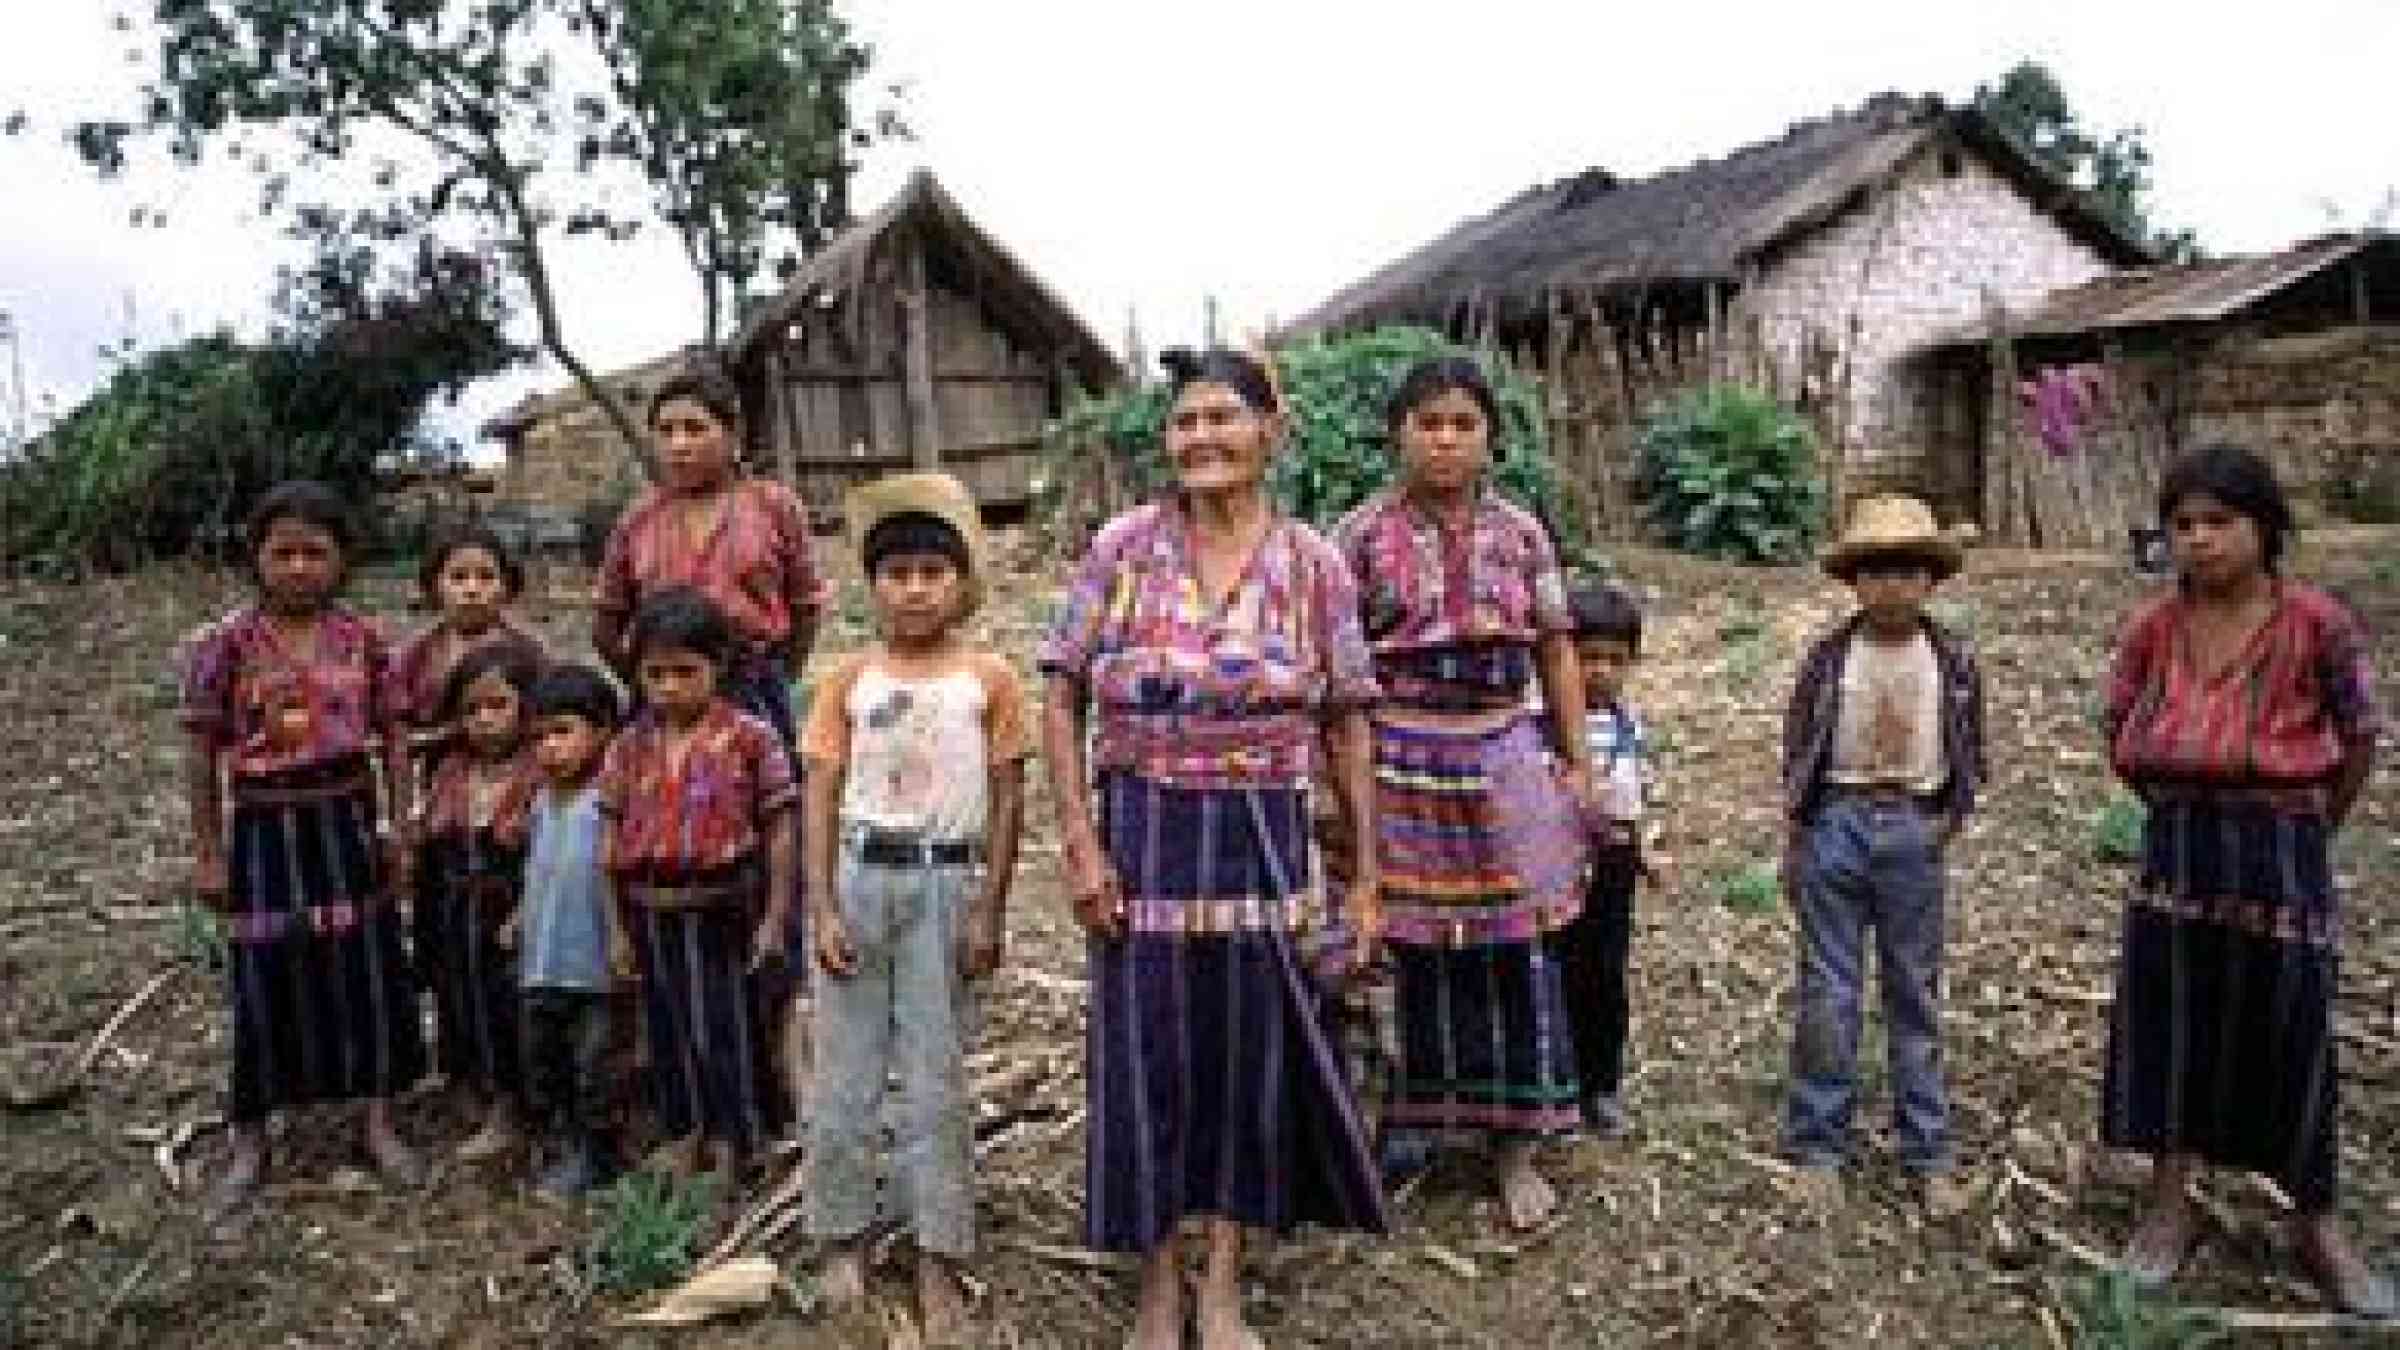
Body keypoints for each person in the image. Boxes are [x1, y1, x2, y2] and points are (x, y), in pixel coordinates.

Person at [1041, 348, 1387, 1350]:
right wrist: (1080, 845)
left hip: (1263, 838)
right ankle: (1156, 1277)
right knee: (1145, 1052)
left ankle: (1224, 1277)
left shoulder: (1313, 563)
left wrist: (1366, 877)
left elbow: (1352, 720)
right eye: (1184, 421)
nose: (1199, 438)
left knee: (1248, 1052)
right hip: (1142, 831)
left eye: (1222, 418)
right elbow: (1060, 692)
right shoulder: (1123, 546)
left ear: (1270, 431)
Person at [2099, 446, 2392, 1316]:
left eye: (2219, 522)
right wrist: (2176, 792)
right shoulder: (2154, 627)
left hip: (2281, 849)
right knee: (2174, 1021)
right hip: (2179, 850)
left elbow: (2361, 733)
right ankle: (2168, 1206)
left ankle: (2316, 1221)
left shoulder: (2317, 623)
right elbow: (2119, 722)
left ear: (2265, 528)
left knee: (2294, 1029)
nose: (2199, 541)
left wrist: (2306, 823)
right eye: (2183, 525)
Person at [1332, 356, 1591, 1232]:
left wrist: (1574, 758)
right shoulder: (1357, 537)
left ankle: (1514, 1143)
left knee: (1516, 945)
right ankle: (1422, 1131)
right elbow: (1337, 675)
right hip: (1400, 752)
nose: (1445, 439)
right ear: (1397, 434)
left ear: (1489, 438)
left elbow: (1555, 645)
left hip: (1505, 752)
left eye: (1463, 424)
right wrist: (1338, 785)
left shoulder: (1522, 534)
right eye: (1427, 423)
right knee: (1415, 950)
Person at [800, 472, 1029, 1343]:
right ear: (873, 586)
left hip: (945, 883)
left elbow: (1008, 800)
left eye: (933, 572)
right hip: (861, 879)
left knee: (937, 1076)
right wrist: (819, 905)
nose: (916, 589)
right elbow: (821, 792)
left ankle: (940, 1252)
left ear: (961, 582)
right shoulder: (847, 681)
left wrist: (989, 909)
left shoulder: (990, 679)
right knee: (847, 1070)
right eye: (897, 574)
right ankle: (840, 1234)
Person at [178, 480, 427, 1216]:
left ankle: (378, 1120)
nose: (296, 567)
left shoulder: (364, 640)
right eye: (281, 552)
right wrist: (207, 849)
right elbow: (199, 747)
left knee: (369, 969)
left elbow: (396, 734)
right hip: (263, 829)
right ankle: (252, 1135)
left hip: (347, 820)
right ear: (255, 558)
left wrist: (401, 824)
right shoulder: (224, 645)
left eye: (313, 553)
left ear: (341, 559)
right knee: (263, 974)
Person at [592, 361, 826, 1115]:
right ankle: (681, 1086)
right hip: (663, 703)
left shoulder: (773, 508)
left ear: (734, 433)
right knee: (673, 860)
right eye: (666, 430)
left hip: (753, 692)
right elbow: (608, 619)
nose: (681, 444)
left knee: (764, 859)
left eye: (698, 428)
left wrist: (760, 683)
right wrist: (656, 678)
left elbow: (805, 606)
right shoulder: (638, 523)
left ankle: (778, 1065)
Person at [1777, 494, 1984, 1180]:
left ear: (1931, 580)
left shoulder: (1950, 660)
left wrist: (1945, 822)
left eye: (1906, 570)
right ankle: (1818, 1142)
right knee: (1828, 992)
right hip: (1837, 820)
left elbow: (1969, 750)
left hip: (1913, 828)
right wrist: (1797, 835)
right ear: (1853, 582)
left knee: (1913, 992)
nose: (1890, 584)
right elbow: (1799, 746)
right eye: (1874, 571)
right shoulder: (1830, 659)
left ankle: (1925, 1145)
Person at [599, 585, 799, 1193]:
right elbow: (607, 839)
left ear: (720, 667)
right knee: (669, 1026)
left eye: (686, 672)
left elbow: (781, 828)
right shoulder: (630, 745)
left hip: (724, 906)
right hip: (652, 909)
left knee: (728, 1024)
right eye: (655, 674)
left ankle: (736, 1140)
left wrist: (774, 916)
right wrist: (615, 928)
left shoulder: (750, 738)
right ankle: (685, 1131)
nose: (669, 688)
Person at [414, 642, 542, 1162]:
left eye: (499, 706)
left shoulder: (539, 773)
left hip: (507, 909)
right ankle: (467, 1082)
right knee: (456, 993)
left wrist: (524, 909)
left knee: (505, 1004)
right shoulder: (449, 772)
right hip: (451, 906)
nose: (485, 721)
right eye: (472, 709)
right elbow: (430, 845)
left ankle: (511, 1106)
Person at [1552, 582, 1668, 1140]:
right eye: (1587, 657)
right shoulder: (1543, 723)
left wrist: (1642, 845)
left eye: (1614, 660)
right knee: (1558, 970)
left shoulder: (1629, 724)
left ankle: (1602, 1085)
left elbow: (1633, 790)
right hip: (1558, 863)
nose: (1599, 671)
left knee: (1605, 974)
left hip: (1613, 860)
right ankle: (1560, 1086)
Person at [516, 662, 629, 1200]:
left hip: (593, 965)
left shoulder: (608, 802)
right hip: (541, 961)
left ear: (603, 732)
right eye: (538, 737)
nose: (549, 748)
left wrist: (622, 942)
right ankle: (559, 1145)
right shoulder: (540, 802)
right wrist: (516, 919)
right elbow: (536, 870)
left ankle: (599, 1158)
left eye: (563, 732)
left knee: (595, 1068)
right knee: (546, 1061)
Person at [394, 521, 545, 771]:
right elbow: (398, 733)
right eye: (458, 577)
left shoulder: (530, 653)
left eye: (486, 577)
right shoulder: (414, 656)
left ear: (506, 586)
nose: (472, 589)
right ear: (434, 587)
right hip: (439, 784)